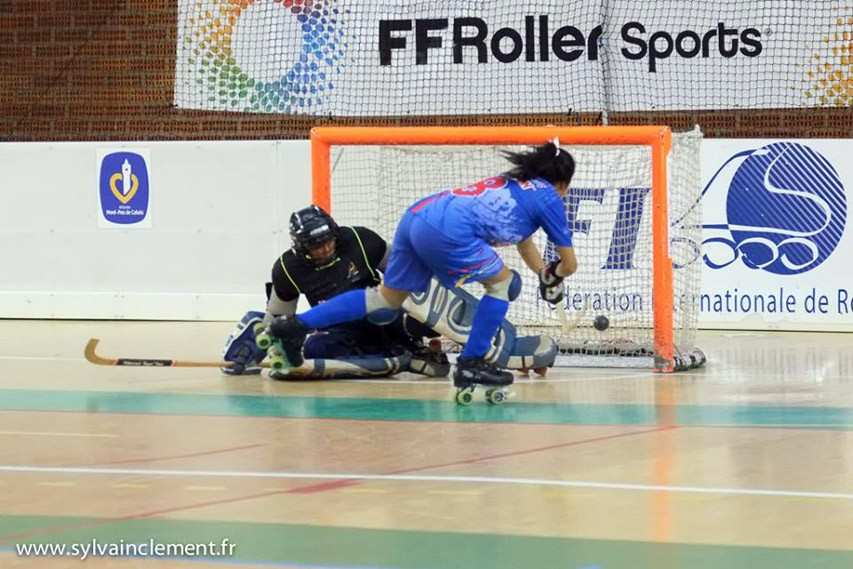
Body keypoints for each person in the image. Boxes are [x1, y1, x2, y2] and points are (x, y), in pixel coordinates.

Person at [265, 140, 578, 389]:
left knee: (386, 299)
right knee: (503, 284)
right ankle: (472, 364)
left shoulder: (515, 183)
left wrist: (542, 273)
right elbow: (570, 264)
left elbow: (523, 239)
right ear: (562, 183)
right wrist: (555, 275)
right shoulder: (549, 197)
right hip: (450, 229)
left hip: (418, 214)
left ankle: (295, 326)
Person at [221, 205, 447, 378]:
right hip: (340, 328)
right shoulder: (287, 269)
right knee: (313, 349)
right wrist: (257, 349)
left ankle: (405, 347)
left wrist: (425, 308)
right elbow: (279, 317)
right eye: (316, 245)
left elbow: (403, 271)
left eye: (328, 240)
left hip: (382, 313)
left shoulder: (361, 239)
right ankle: (400, 354)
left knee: (412, 318)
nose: (326, 248)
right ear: (300, 246)